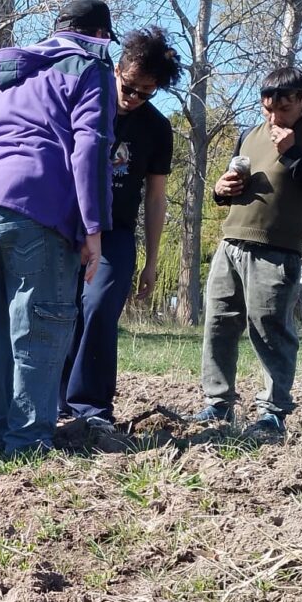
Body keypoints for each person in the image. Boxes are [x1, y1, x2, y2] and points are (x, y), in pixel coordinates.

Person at [0, 0, 116, 455]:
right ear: (101, 35)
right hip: (36, 211)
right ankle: (27, 445)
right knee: (40, 331)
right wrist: (93, 228)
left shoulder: (11, 73)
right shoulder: (92, 67)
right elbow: (90, 149)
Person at [61, 27, 183, 428]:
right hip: (68, 225)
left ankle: (90, 407)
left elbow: (156, 196)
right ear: (117, 68)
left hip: (116, 233)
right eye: (129, 88)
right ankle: (50, 398)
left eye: (146, 93)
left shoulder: (157, 128)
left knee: (98, 306)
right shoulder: (84, 103)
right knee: (61, 308)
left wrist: (150, 261)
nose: (133, 99)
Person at [197, 65, 302, 441]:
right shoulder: (248, 134)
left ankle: (272, 412)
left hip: (277, 250)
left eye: (285, 109)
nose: (275, 117)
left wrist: (293, 154)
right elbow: (230, 187)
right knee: (218, 324)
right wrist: (220, 188)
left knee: (270, 331)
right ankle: (218, 402)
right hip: (231, 242)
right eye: (268, 109)